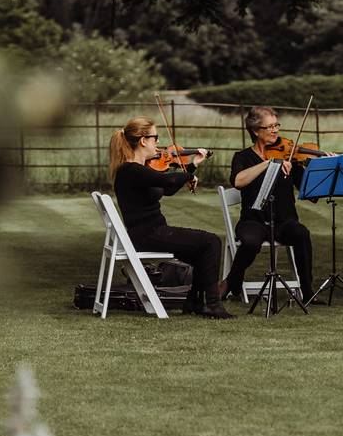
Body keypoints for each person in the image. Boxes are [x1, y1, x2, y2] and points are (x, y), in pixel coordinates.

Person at [110, 117, 233, 319]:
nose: (158, 143)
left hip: (151, 232)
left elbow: (167, 188)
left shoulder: (139, 170)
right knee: (211, 241)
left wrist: (191, 166)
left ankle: (194, 302)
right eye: (155, 138)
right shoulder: (131, 170)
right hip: (148, 235)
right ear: (143, 141)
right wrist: (188, 174)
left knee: (202, 250)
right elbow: (170, 179)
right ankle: (212, 304)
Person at [219, 106, 317, 304]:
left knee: (301, 234)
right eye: (269, 127)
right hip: (253, 220)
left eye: (276, 125)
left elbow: (310, 190)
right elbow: (238, 181)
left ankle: (307, 291)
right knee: (249, 242)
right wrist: (268, 163)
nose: (275, 131)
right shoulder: (243, 157)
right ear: (256, 131)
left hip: (284, 221)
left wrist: (321, 166)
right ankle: (233, 281)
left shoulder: (289, 157)